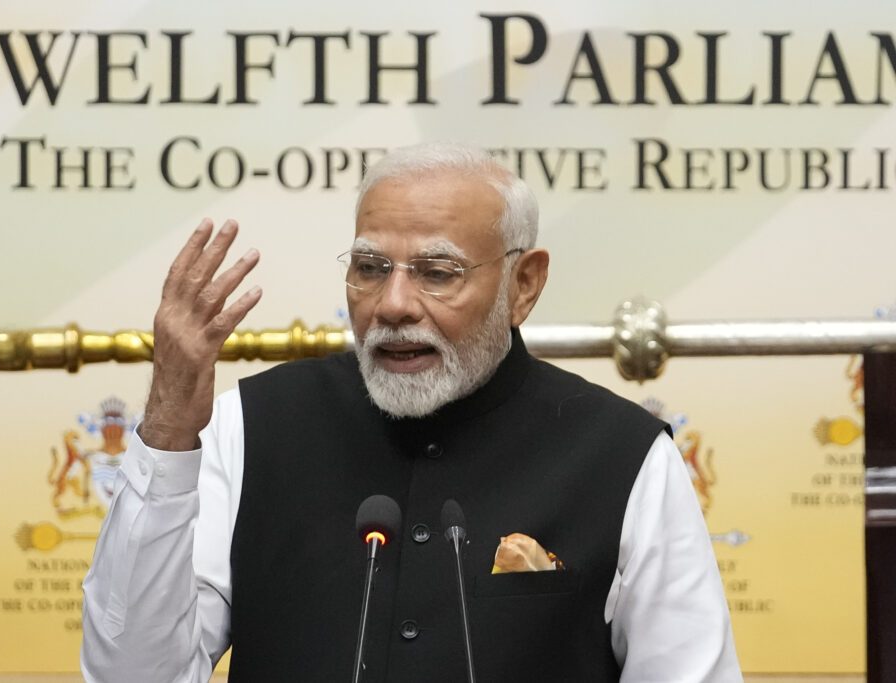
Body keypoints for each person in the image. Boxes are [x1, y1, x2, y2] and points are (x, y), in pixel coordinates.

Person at [81, 142, 741, 682]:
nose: (391, 304)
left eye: (436, 271)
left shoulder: (623, 457)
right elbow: (134, 675)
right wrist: (168, 433)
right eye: (370, 267)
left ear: (524, 284)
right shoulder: (250, 427)